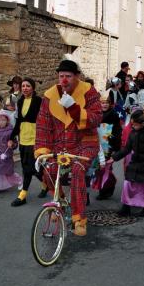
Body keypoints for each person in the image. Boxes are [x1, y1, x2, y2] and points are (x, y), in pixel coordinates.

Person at [34, 60, 102, 237]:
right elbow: (43, 124)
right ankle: (60, 201)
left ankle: (79, 218)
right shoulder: (50, 95)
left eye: (68, 76)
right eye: (61, 76)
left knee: (78, 171)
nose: (64, 80)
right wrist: (42, 150)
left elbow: (96, 119)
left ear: (76, 77)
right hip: (60, 144)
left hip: (84, 143)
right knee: (48, 169)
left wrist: (74, 108)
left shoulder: (88, 91)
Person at [109, 110, 144, 218]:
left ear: (142, 124)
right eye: (132, 124)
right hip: (134, 163)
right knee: (128, 185)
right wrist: (114, 158)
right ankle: (126, 207)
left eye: (135, 124)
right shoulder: (133, 133)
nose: (133, 126)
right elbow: (127, 149)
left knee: (143, 187)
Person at [9, 78, 45, 206]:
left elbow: (44, 119)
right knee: (29, 167)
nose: (24, 88)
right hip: (23, 137)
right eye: (23, 86)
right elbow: (18, 121)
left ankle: (23, 194)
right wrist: (11, 137)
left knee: (29, 167)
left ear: (33, 88)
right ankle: (46, 184)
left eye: (28, 86)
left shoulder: (39, 101)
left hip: (35, 137)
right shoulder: (20, 101)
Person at [91, 93, 122, 200]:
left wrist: (115, 148)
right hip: (97, 144)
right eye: (102, 103)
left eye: (106, 103)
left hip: (108, 145)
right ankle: (104, 188)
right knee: (98, 168)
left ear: (110, 104)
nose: (104, 105)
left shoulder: (113, 115)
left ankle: (106, 190)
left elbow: (117, 132)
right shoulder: (96, 114)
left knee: (105, 169)